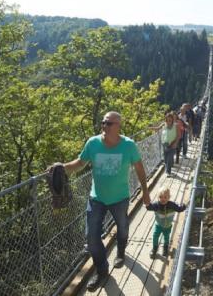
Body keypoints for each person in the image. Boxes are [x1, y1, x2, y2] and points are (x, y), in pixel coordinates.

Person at [62, 111, 151, 291]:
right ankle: (102, 270)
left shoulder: (129, 146)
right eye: (103, 122)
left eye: (109, 123)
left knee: (123, 228)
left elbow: (140, 168)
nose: (104, 126)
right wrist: (62, 168)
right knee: (91, 237)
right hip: (97, 198)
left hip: (120, 198)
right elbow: (81, 163)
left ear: (118, 126)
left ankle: (120, 252)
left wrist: (145, 191)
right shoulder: (93, 143)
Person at [146, 187, 187, 258]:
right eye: (160, 197)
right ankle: (154, 249)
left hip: (168, 226)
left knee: (166, 237)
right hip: (158, 225)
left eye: (165, 197)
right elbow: (150, 207)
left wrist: (183, 206)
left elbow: (179, 209)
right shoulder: (156, 205)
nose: (163, 199)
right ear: (158, 197)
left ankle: (165, 248)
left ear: (169, 197)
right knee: (155, 236)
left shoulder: (172, 205)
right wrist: (147, 204)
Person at [149, 112, 178, 177]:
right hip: (164, 144)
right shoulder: (163, 124)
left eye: (170, 120)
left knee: (170, 158)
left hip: (172, 144)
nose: (168, 121)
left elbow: (178, 135)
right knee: (165, 158)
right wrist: (150, 128)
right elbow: (157, 128)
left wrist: (175, 143)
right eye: (167, 120)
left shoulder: (176, 125)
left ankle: (168, 171)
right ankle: (167, 168)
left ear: (172, 120)